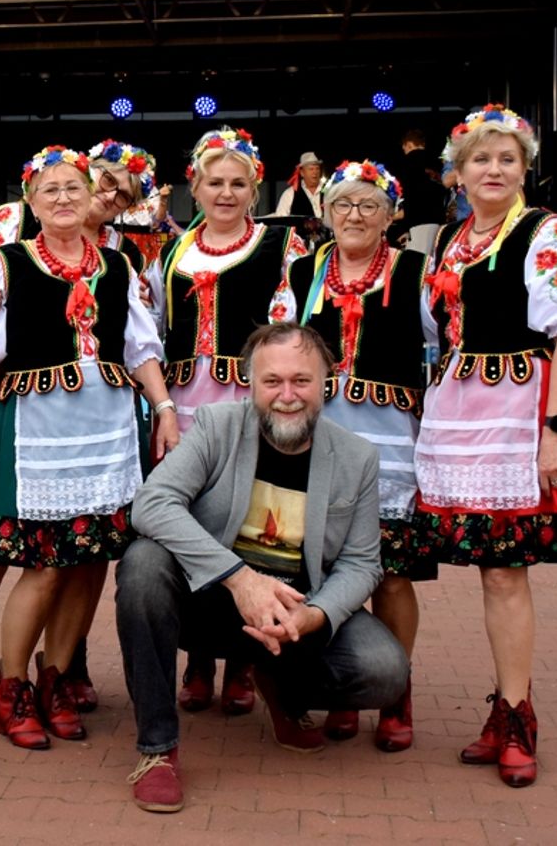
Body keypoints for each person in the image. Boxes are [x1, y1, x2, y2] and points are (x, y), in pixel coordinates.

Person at [116, 323, 409, 813]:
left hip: (295, 614)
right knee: (143, 565)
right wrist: (239, 579)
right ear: (251, 384)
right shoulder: (217, 426)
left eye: (302, 381)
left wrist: (314, 615)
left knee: (384, 671)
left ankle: (281, 688)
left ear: (326, 384)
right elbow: (151, 504)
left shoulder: (357, 458)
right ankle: (157, 750)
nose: (287, 396)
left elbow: (361, 563)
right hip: (212, 600)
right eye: (272, 381)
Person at [415, 104, 557, 788]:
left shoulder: (544, 230)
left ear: (524, 169)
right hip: (463, 413)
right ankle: (505, 706)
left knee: (506, 568)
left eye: (507, 159)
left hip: (515, 412)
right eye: (481, 159)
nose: (493, 169)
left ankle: (516, 713)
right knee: (488, 567)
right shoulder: (450, 238)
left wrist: (555, 431)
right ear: (458, 173)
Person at [0, 141, 160, 721]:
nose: (95, 197)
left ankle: (56, 673)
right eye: (87, 184)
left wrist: (166, 407)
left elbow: (139, 343)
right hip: (28, 424)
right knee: (2, 559)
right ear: (32, 195)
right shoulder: (9, 237)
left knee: (85, 557)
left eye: (108, 193)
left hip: (100, 432)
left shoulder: (121, 258)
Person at [142, 126, 307, 716]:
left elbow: (296, 332)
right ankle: (197, 658)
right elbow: (153, 333)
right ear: (196, 185)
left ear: (255, 189)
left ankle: (243, 659)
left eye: (239, 183)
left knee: (250, 517)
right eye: (216, 182)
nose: (227, 192)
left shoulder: (280, 248)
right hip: (186, 403)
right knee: (191, 521)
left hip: (249, 403)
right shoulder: (173, 252)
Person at [269, 159, 431, 752]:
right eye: (343, 205)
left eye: (368, 206)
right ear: (326, 212)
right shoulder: (304, 269)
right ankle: (342, 688)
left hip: (390, 441)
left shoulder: (417, 269)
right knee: (321, 566)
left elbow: (443, 348)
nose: (354, 216)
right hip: (319, 437)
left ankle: (395, 689)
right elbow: (281, 345)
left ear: (390, 215)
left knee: (389, 574)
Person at [392, 130, 443, 254]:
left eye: (404, 148)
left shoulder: (409, 162)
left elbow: (414, 195)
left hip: (419, 220)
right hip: (440, 220)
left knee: (420, 260)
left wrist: (397, 216)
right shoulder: (438, 162)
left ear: (409, 144)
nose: (404, 151)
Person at [273, 151, 324, 218]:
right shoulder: (290, 194)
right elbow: (280, 220)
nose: (315, 172)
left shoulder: (328, 191)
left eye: (317, 169)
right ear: (302, 172)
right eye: (311, 169)